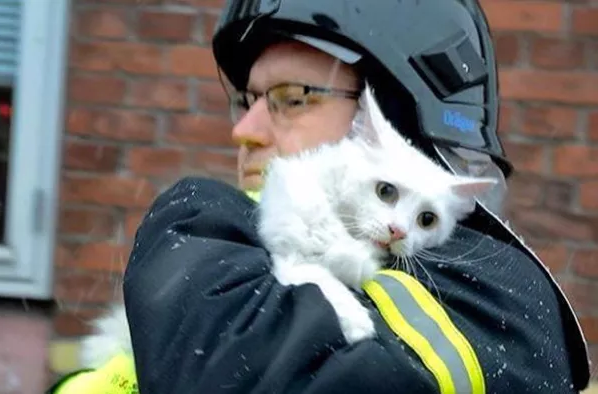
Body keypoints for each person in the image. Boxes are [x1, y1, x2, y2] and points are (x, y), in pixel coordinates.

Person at [48, 0, 590, 393]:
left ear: (392, 123)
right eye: (247, 99)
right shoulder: (254, 259)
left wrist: (196, 231)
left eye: (293, 98)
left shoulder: (482, 292)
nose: (246, 129)